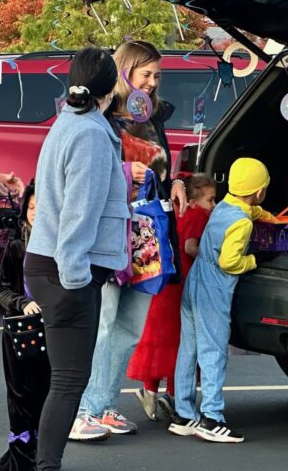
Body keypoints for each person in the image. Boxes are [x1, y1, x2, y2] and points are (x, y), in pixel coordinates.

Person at [71, 40, 189, 438]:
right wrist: (127, 172)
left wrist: (174, 184)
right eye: (146, 74)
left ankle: (103, 404)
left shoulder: (152, 116)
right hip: (111, 231)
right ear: (125, 72)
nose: (153, 83)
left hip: (148, 232)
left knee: (129, 327)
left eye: (157, 75)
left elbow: (160, 168)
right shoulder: (100, 116)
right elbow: (90, 170)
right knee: (104, 323)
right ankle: (84, 407)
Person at [25, 46, 129, 469]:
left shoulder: (70, 123)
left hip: (52, 261)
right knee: (69, 381)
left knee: (62, 381)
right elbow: (79, 212)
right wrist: (76, 278)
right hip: (67, 268)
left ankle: (40, 461)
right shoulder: (90, 133)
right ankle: (45, 464)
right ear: (111, 87)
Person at [171, 159, 273, 444]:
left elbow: (248, 208)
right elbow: (229, 262)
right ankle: (212, 418)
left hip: (194, 284)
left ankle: (184, 414)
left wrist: (265, 215)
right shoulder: (241, 223)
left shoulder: (224, 206)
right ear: (260, 191)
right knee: (213, 352)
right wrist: (255, 259)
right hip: (214, 289)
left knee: (188, 350)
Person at [128, 173, 216, 422]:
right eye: (210, 199)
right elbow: (190, 246)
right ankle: (175, 394)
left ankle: (150, 390)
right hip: (184, 283)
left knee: (157, 338)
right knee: (183, 341)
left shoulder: (176, 210)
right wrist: (211, 256)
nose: (213, 205)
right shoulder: (199, 215)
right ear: (197, 198)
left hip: (165, 282)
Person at [0, 180, 50, 471]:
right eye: (30, 208)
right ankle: (20, 456)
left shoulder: (57, 247)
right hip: (19, 334)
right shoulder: (17, 247)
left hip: (51, 332)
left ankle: (42, 452)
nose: (34, 213)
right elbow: (0, 289)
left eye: (41, 209)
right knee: (19, 395)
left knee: (45, 392)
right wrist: (21, 303)